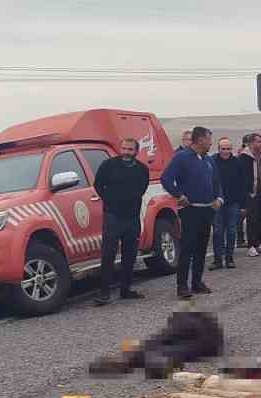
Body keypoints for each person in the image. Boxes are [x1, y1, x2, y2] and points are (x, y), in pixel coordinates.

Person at [160, 125, 220, 299]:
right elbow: (167, 179)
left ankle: (197, 282)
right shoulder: (182, 157)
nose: (210, 143)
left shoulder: (208, 160)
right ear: (200, 139)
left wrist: (219, 198)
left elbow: (216, 182)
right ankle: (182, 286)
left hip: (207, 209)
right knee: (187, 248)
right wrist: (179, 196)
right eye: (209, 139)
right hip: (190, 211)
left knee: (202, 247)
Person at [93, 136, 150, 304]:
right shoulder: (108, 165)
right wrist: (109, 200)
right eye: (124, 148)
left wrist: (131, 199)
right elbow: (98, 184)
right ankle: (104, 293)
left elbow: (143, 187)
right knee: (108, 254)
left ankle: (126, 289)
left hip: (132, 217)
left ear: (136, 152)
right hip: (113, 216)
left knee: (130, 255)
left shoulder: (142, 169)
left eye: (130, 149)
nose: (126, 152)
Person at [210, 136, 253, 270]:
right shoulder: (212, 162)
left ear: (232, 149)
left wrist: (243, 205)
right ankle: (217, 260)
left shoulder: (237, 163)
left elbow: (243, 185)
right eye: (223, 149)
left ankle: (229, 258)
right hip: (217, 202)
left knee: (232, 231)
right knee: (217, 232)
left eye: (228, 149)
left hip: (233, 203)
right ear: (218, 149)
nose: (225, 151)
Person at [241, 132, 261, 257]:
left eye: (260, 141)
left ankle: (258, 243)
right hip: (251, 193)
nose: (260, 144)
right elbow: (241, 176)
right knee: (252, 219)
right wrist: (247, 191)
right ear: (251, 143)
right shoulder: (244, 157)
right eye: (258, 141)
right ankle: (250, 245)